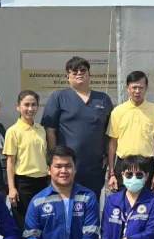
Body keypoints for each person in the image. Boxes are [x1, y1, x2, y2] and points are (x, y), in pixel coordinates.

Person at [42, 56, 113, 198]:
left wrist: (106, 155)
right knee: (66, 203)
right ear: (67, 76)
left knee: (91, 203)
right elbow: (50, 130)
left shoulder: (103, 99)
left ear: (89, 74)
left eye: (83, 70)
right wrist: (53, 156)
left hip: (94, 165)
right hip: (66, 165)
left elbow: (109, 131)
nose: (79, 73)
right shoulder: (58, 97)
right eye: (74, 71)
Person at [106, 70, 154, 192]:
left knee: (147, 204)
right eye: (134, 87)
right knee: (123, 203)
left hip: (147, 165)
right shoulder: (118, 111)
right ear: (127, 88)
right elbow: (113, 143)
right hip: (124, 165)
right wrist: (112, 173)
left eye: (141, 87)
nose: (137, 91)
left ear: (146, 88)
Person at [4, 90, 49, 226]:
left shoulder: (41, 129)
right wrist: (11, 188)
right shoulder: (13, 131)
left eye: (34, 105)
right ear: (18, 106)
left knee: (41, 220)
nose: (30, 108)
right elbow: (10, 162)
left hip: (42, 182)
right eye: (26, 105)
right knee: (24, 222)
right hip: (23, 183)